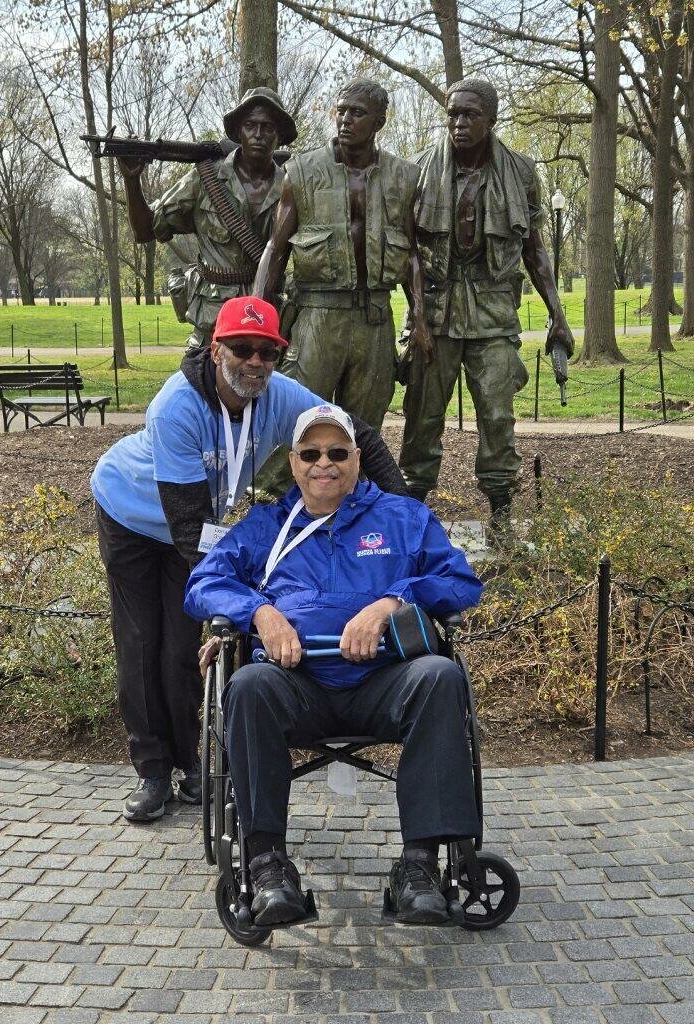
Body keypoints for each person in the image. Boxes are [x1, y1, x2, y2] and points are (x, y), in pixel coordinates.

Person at [91, 296, 407, 824]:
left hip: (193, 523)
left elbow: (360, 439)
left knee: (182, 651)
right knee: (146, 642)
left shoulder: (280, 396)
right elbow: (189, 528)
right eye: (242, 349)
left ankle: (192, 766)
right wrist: (236, 607)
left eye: (268, 352)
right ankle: (152, 771)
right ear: (217, 350)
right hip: (133, 515)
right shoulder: (177, 407)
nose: (255, 362)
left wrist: (405, 514)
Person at [185, 404, 483, 927]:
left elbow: (461, 582)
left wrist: (394, 600)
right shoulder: (266, 526)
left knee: (440, 675)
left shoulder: (403, 517)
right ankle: (267, 866)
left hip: (386, 683)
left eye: (338, 452)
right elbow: (203, 583)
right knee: (248, 685)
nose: (325, 463)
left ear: (357, 459)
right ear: (294, 463)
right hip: (296, 687)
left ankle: (420, 867)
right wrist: (259, 611)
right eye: (311, 453)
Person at [398, 77, 575, 538]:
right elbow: (406, 251)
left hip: (494, 311)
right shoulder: (416, 171)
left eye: (469, 114)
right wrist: (415, 316)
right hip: (433, 313)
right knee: (422, 416)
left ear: (490, 119)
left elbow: (535, 248)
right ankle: (411, 519)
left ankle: (500, 516)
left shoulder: (520, 172)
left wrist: (557, 312)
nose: (457, 122)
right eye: (452, 113)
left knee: (498, 416)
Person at [254, 77, 431, 434]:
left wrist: (420, 319)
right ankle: (279, 491)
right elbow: (276, 247)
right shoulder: (302, 171)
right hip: (318, 314)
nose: (345, 119)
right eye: (341, 111)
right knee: (297, 416)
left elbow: (412, 253)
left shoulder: (404, 177)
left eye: (358, 113)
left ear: (380, 121)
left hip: (375, 318)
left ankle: (355, 489)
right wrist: (257, 318)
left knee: (363, 426)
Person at [119, 88, 297, 355]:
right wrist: (132, 181)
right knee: (200, 393)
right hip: (212, 322)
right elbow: (145, 230)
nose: (258, 135)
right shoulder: (205, 179)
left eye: (268, 127)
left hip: (266, 322)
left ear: (279, 135)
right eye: (250, 126)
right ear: (238, 132)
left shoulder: (293, 186)